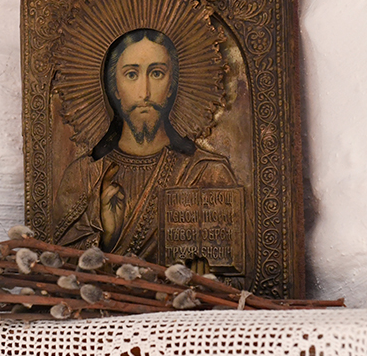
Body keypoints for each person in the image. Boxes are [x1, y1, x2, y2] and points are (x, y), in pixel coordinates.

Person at [51, 29, 236, 264]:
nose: (145, 93)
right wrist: (107, 238)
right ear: (114, 87)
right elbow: (59, 267)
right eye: (131, 74)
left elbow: (235, 267)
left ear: (171, 86)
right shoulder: (83, 175)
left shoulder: (207, 172)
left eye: (157, 73)